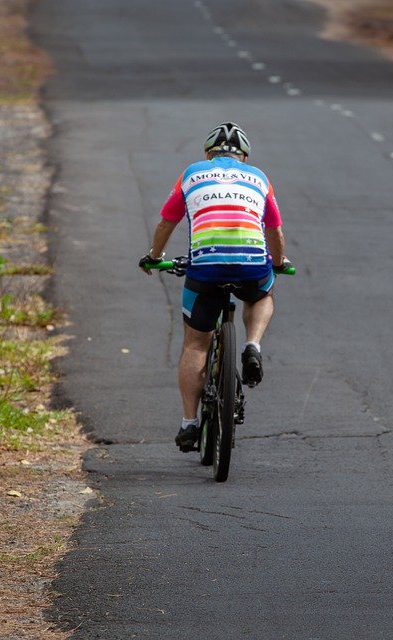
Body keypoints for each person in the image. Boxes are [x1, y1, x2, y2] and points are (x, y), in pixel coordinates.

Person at [139, 122, 290, 451]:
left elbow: (167, 221)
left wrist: (154, 256)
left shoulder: (191, 174)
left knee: (195, 345)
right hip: (252, 264)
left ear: (208, 154)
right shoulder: (260, 179)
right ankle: (253, 345)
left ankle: (189, 424)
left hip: (205, 267)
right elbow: (274, 232)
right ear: (244, 157)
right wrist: (277, 264)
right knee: (263, 295)